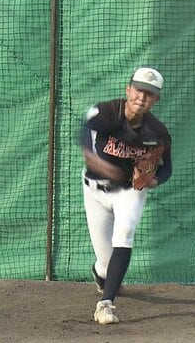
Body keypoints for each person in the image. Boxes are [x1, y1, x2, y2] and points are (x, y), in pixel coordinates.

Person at [79, 67, 172, 325]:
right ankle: (102, 276)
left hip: (130, 191)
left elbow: (167, 167)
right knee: (107, 265)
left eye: (150, 94)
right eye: (139, 90)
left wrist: (155, 179)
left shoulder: (158, 132)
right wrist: (94, 160)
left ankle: (105, 304)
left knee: (125, 235)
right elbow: (85, 132)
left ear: (156, 100)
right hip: (95, 190)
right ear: (128, 89)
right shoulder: (106, 112)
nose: (143, 97)